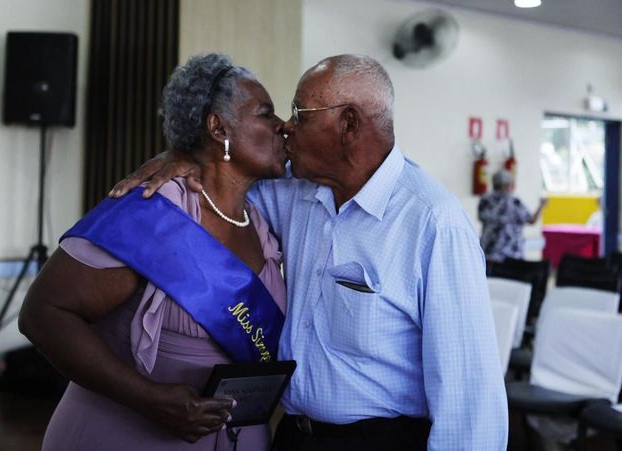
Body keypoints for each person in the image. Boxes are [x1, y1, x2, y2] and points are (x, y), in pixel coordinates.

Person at [111, 54, 508, 450]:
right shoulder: (292, 192)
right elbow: (222, 179)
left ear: (348, 124)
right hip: (293, 436)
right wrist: (182, 156)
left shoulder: (433, 223)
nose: (286, 126)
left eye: (300, 114)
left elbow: (469, 395)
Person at [18, 53, 289, 451]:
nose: (282, 125)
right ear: (218, 127)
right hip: (127, 430)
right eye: (265, 113)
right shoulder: (156, 206)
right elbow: (42, 314)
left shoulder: (262, 216)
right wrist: (149, 399)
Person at [478, 169, 547, 262]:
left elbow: (481, 218)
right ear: (507, 185)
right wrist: (542, 206)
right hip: (510, 255)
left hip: (488, 253)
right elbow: (532, 220)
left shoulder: (485, 200)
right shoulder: (513, 202)